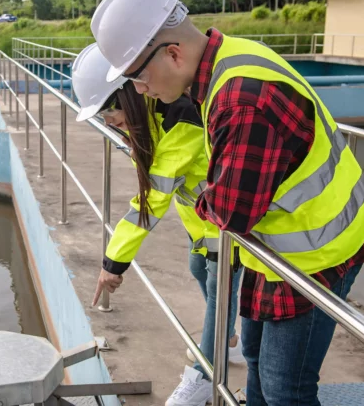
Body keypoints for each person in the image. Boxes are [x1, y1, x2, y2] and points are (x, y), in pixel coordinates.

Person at [89, 0, 364, 406]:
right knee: (255, 364)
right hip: (282, 245)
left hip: (316, 253)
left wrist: (203, 195)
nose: (140, 91)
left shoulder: (239, 100)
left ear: (172, 53)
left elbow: (230, 213)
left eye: (137, 77)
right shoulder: (230, 58)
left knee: (287, 389)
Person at [72, 43, 244, 406]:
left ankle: (202, 377)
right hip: (204, 220)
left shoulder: (179, 115)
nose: (108, 122)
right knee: (199, 267)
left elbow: (150, 202)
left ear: (128, 95)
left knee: (219, 286)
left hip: (229, 221)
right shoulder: (152, 113)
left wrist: (112, 264)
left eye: (109, 112)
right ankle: (226, 337)